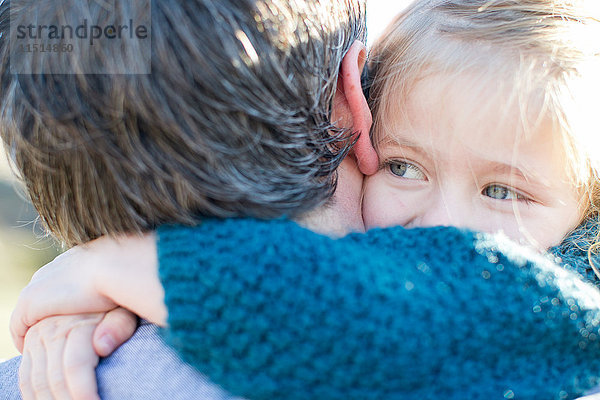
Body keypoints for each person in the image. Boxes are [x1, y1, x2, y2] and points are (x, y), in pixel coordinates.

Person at [5, 0, 600, 399]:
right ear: (358, 104)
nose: (443, 224)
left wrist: (113, 265)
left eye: (502, 190)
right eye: (403, 166)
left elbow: (366, 316)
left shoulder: (576, 297)